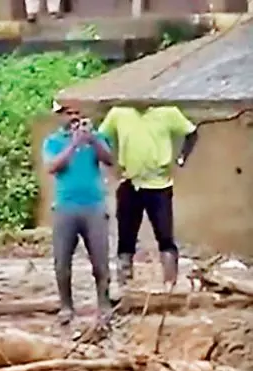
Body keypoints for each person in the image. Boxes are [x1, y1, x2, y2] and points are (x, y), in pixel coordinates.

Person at [100, 103, 199, 292]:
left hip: (159, 185)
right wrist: (111, 162)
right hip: (130, 182)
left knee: (165, 235)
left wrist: (181, 157)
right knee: (126, 236)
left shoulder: (168, 111)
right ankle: (124, 284)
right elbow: (101, 137)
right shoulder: (119, 112)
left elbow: (192, 132)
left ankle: (170, 284)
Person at [43, 99, 117, 325]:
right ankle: (66, 306)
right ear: (61, 116)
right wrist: (74, 144)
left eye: (77, 113)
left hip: (94, 205)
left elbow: (109, 160)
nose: (74, 117)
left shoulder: (98, 137)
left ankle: (104, 304)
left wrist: (92, 139)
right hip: (65, 206)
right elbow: (53, 167)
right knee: (62, 261)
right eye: (69, 113)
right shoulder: (53, 141)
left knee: (100, 259)